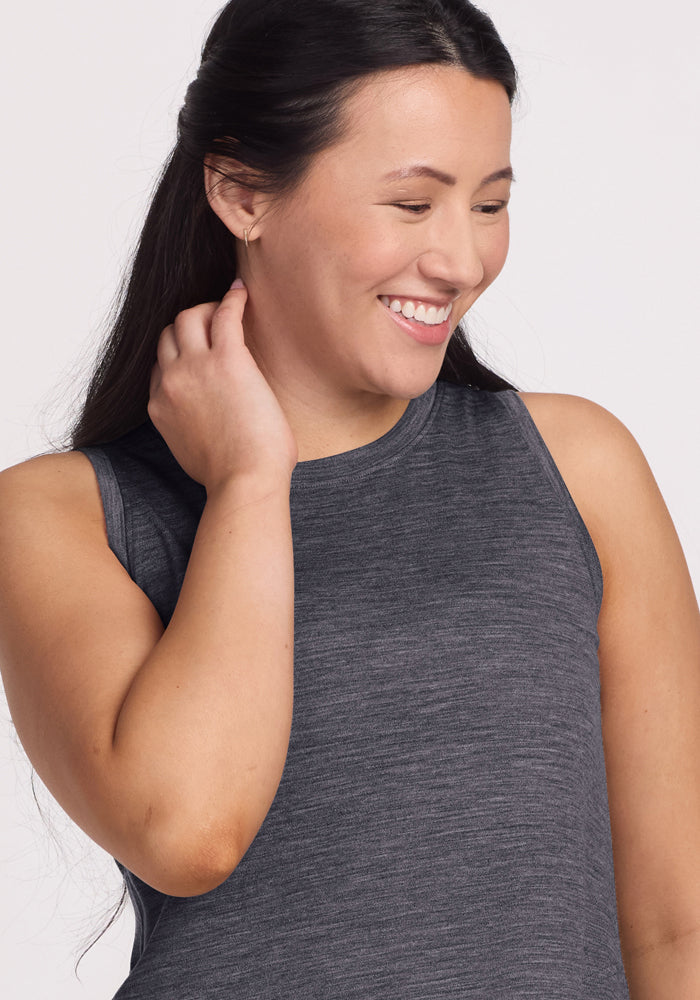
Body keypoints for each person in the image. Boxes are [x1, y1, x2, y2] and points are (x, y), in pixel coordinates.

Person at [0, 0, 698, 996]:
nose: (461, 260)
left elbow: (677, 926)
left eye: (489, 204)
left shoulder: (577, 468)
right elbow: (189, 831)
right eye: (412, 204)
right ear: (241, 192)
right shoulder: (62, 517)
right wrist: (248, 482)